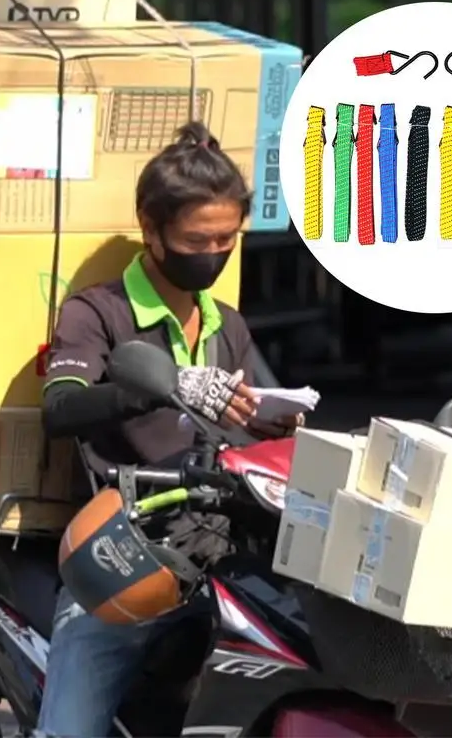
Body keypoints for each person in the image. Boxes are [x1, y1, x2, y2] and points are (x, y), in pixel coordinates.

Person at [38, 121, 303, 736]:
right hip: (124, 551)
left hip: (218, 556)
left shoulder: (226, 324)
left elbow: (250, 426)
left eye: (227, 239)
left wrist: (276, 420)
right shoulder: (97, 312)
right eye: (195, 239)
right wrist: (164, 386)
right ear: (151, 230)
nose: (212, 253)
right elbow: (62, 408)